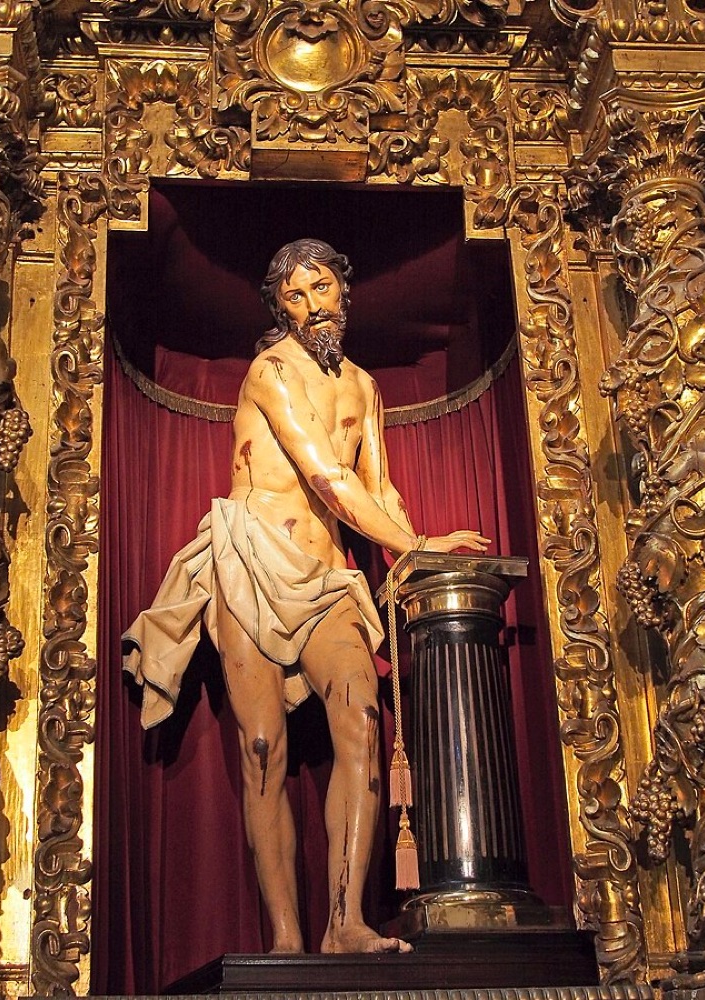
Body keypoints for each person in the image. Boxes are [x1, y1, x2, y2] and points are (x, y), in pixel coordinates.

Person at [123, 239, 489, 955]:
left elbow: (377, 486)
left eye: (320, 288)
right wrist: (415, 545)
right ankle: (287, 939)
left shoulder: (364, 387)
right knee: (263, 746)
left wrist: (416, 553)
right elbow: (327, 476)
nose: (312, 306)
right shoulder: (271, 373)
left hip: (325, 579)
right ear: (280, 308)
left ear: (343, 292)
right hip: (252, 560)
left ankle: (345, 924)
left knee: (362, 722)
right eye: (295, 296)